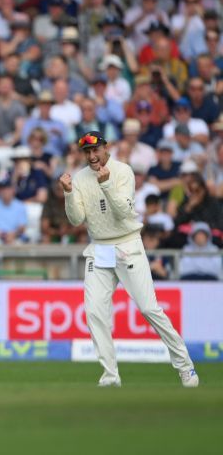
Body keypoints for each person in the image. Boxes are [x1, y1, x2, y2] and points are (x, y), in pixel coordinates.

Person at [60, 130, 198, 387]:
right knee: (94, 312)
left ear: (105, 148)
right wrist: (69, 193)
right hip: (99, 247)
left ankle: (185, 366)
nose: (92, 156)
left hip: (127, 244)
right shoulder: (79, 178)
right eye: (87, 152)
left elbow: (124, 211)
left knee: (148, 308)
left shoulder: (123, 171)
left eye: (95, 150)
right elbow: (77, 219)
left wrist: (106, 183)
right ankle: (110, 376)